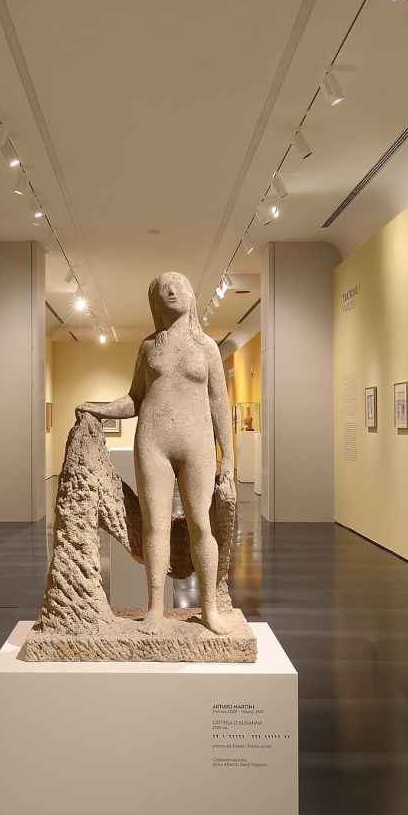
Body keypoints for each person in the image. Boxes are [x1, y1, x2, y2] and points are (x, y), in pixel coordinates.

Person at [77, 272, 234, 635]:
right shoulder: (149, 347)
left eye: (178, 285)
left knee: (201, 523)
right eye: (164, 288)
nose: (172, 291)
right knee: (155, 525)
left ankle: (210, 608)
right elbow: (134, 399)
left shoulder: (206, 347)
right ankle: (154, 609)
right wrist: (99, 408)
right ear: (155, 302)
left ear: (191, 295)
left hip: (197, 443)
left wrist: (228, 455)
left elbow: (218, 402)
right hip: (153, 441)